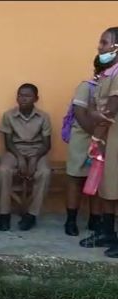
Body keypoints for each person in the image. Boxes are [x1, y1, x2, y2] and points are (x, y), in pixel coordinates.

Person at [80, 27, 118, 257]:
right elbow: (96, 105)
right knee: (107, 186)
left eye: (104, 43)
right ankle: (107, 232)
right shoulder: (108, 73)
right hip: (108, 137)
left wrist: (96, 134)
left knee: (115, 186)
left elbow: (111, 108)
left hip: (112, 135)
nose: (100, 47)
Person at [0, 83, 52, 232]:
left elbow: (47, 144)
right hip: (15, 150)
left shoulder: (43, 117)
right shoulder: (8, 115)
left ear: (36, 98)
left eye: (27, 96)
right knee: (3, 170)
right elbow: (8, 143)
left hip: (37, 150)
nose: (23, 98)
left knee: (45, 173)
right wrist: (20, 158)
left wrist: (34, 158)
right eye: (20, 95)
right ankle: (4, 214)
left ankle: (31, 215)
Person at [65, 57, 104, 236]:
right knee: (76, 179)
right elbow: (80, 114)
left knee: (98, 179)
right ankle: (71, 220)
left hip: (104, 141)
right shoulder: (86, 87)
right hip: (82, 139)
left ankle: (95, 219)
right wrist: (96, 135)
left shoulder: (111, 90)